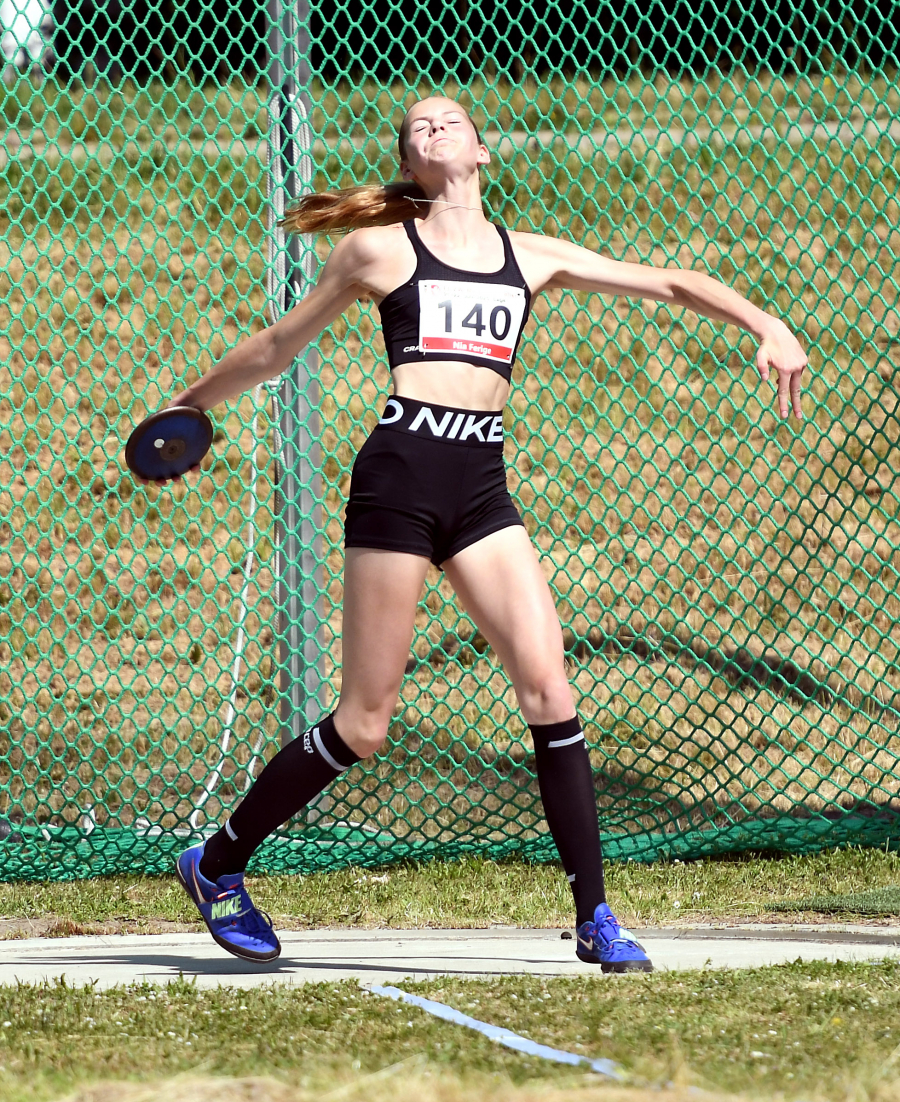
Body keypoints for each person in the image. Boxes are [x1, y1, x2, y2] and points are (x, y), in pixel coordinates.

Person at [169, 95, 807, 970]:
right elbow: (280, 345)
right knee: (364, 724)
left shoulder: (530, 256)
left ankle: (596, 917)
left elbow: (665, 280)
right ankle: (217, 863)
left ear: (482, 150)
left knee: (550, 693)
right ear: (409, 162)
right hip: (399, 478)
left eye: (449, 120)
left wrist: (766, 323)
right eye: (416, 127)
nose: (432, 127)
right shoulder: (379, 250)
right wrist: (190, 406)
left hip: (479, 486)